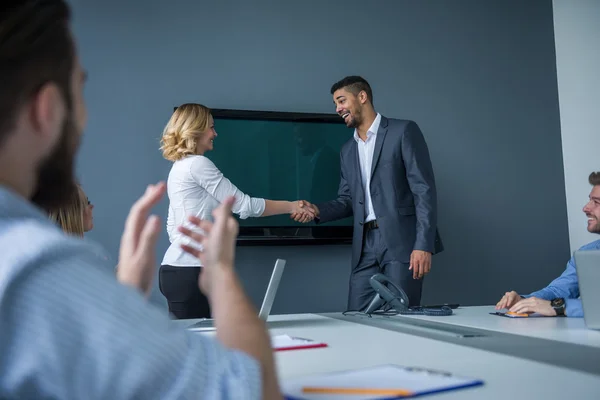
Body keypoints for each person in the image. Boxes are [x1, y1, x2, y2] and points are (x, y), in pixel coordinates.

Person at [0, 2, 281, 398]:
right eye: (80, 90)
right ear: (46, 110)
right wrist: (222, 275)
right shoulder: (39, 272)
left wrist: (122, 298)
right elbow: (249, 388)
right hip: (192, 270)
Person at [292, 76, 443, 312]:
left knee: (400, 319)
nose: (337, 109)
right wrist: (316, 210)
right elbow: (347, 201)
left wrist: (423, 245)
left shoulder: (402, 131)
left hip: (402, 243)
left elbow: (423, 190)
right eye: (335, 104)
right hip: (364, 246)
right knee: (356, 317)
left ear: (362, 97)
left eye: (341, 101)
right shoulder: (347, 150)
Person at [159, 103, 314, 319]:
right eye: (211, 127)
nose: (215, 133)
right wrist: (291, 205)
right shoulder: (198, 165)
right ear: (195, 129)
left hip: (174, 270)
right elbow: (244, 205)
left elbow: (172, 228)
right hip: (192, 272)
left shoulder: (179, 167)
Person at [495, 172, 600, 317]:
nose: (586, 208)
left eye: (597, 202)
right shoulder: (588, 253)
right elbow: (559, 291)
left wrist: (561, 307)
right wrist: (526, 301)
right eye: (590, 200)